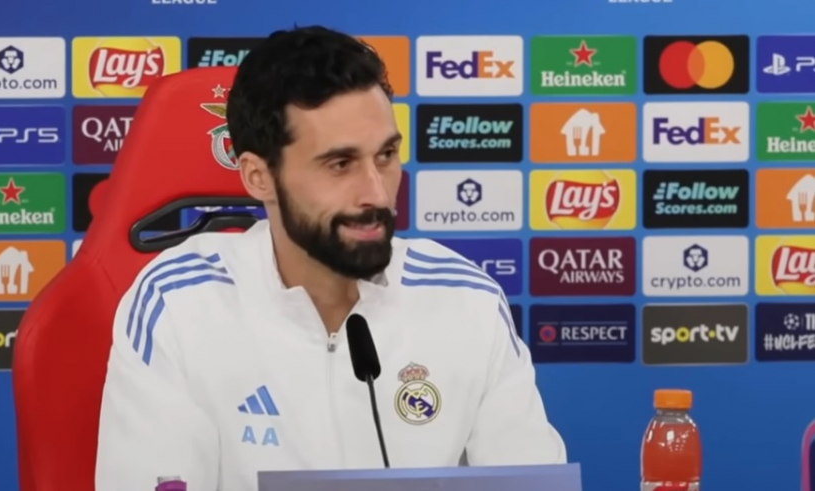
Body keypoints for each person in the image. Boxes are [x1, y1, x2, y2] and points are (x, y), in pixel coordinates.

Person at [94, 25, 566, 491]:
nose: (376, 193)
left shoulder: (467, 301)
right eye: (340, 164)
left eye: (386, 155)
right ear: (258, 177)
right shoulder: (178, 306)